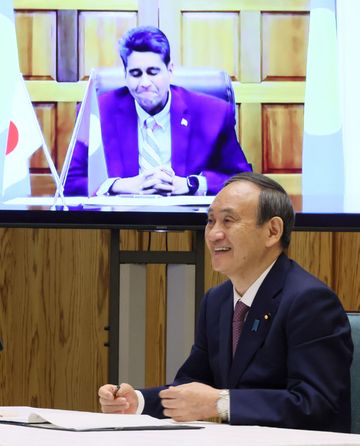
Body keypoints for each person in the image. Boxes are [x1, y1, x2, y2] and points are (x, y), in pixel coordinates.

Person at [98, 172, 353, 432]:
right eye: (210, 221)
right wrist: (137, 402)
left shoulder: (310, 302)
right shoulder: (217, 301)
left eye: (228, 221)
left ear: (272, 231)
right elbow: (192, 384)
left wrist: (220, 403)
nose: (213, 234)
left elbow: (316, 405)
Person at [63, 26, 251, 196]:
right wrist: (121, 185)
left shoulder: (213, 113)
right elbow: (69, 182)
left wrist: (192, 184)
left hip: (189, 225)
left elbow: (244, 180)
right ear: (125, 75)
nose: (145, 83)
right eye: (136, 74)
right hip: (121, 223)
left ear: (170, 71)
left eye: (153, 72)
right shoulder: (99, 112)